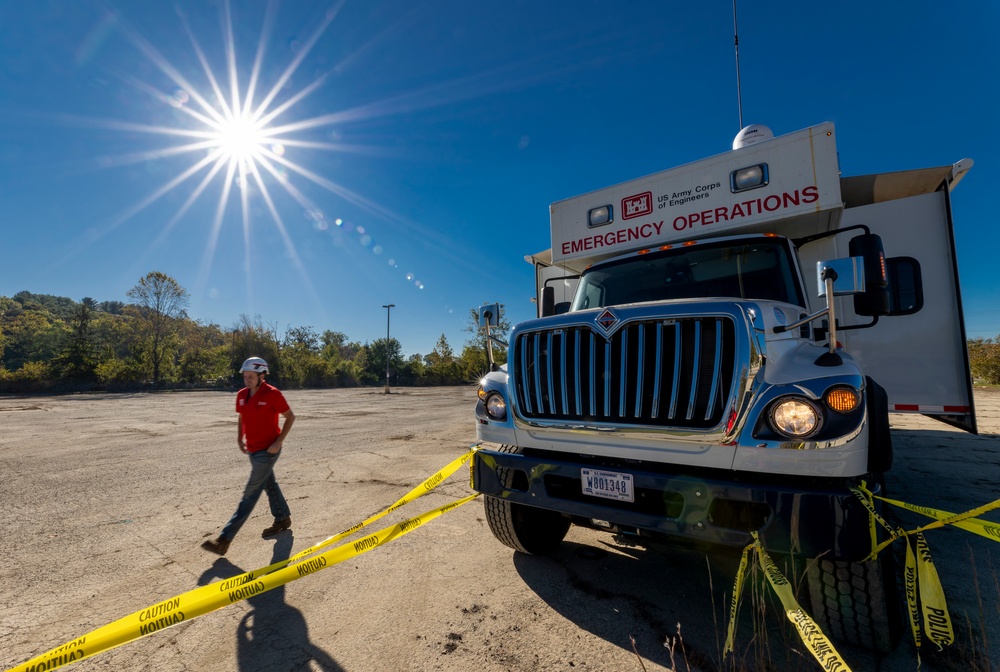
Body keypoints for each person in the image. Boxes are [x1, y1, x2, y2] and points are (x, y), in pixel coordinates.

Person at [202, 356, 296, 555]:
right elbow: (242, 416)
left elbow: (290, 417)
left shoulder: (272, 394)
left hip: (268, 451)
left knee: (250, 495)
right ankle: (283, 518)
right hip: (253, 450)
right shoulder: (242, 394)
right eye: (245, 376)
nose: (247, 379)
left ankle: (224, 540)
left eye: (251, 376)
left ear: (262, 375)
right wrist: (239, 438)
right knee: (269, 484)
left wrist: (279, 442)